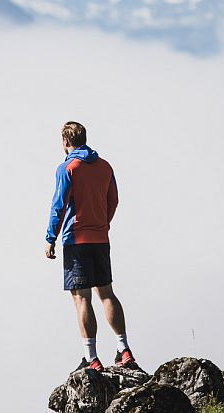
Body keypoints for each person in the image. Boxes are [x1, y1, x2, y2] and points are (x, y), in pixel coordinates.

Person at [44, 121, 137, 372]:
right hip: (100, 238)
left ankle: (91, 358)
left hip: (76, 239)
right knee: (106, 293)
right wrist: (103, 222)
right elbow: (113, 199)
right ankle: (124, 349)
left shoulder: (67, 168)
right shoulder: (105, 166)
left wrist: (50, 238)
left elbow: (59, 206)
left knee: (81, 298)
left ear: (65, 142)